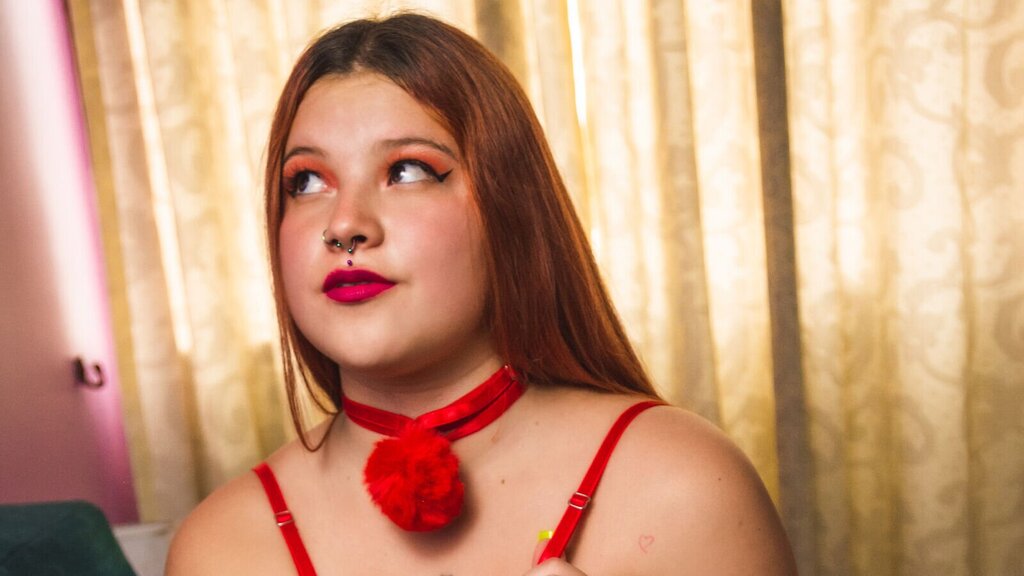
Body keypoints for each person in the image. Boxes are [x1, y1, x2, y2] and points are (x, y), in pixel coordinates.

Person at [166, 12, 797, 575]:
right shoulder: (218, 548)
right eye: (306, 182)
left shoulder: (684, 489)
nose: (344, 224)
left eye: (407, 170)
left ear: (510, 206)